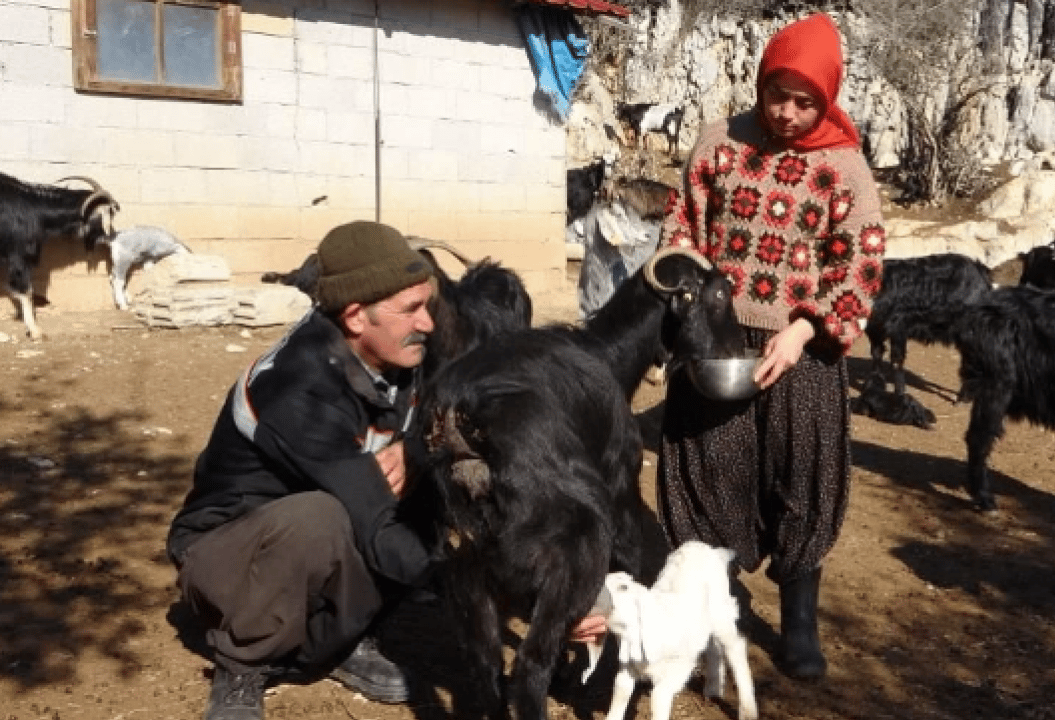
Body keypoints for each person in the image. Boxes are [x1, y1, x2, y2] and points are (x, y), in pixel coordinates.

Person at [167, 220, 607, 720]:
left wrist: (416, 449)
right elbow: (375, 522)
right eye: (412, 310)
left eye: (427, 304)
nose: (429, 323)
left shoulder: (398, 355)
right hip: (230, 553)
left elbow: (424, 446)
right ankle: (243, 662)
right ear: (356, 317)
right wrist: (528, 594)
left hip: (326, 537)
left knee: (424, 498)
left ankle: (338, 641)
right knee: (327, 518)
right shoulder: (297, 390)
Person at [655, 13, 885, 682]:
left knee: (801, 475)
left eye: (804, 100)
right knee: (708, 470)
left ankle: (800, 622)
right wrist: (690, 301)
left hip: (803, 346)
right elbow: (682, 233)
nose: (786, 112)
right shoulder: (717, 145)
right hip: (716, 336)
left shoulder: (844, 168)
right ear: (760, 82)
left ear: (828, 98)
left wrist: (806, 327)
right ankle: (714, 614)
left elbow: (861, 264)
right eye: (776, 93)